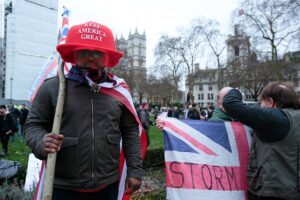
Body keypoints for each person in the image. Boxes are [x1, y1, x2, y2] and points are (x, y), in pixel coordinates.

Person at [25, 21, 143, 200]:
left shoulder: (119, 90)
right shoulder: (52, 87)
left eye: (98, 52)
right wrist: (41, 142)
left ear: (106, 56)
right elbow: (33, 125)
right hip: (63, 186)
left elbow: (130, 131)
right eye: (85, 51)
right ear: (74, 53)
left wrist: (135, 170)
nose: (91, 57)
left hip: (107, 185)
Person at [222, 82, 300, 200]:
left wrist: (236, 90)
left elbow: (230, 103)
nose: (260, 106)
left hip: (271, 192)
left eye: (261, 102)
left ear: (270, 102)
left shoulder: (273, 118)